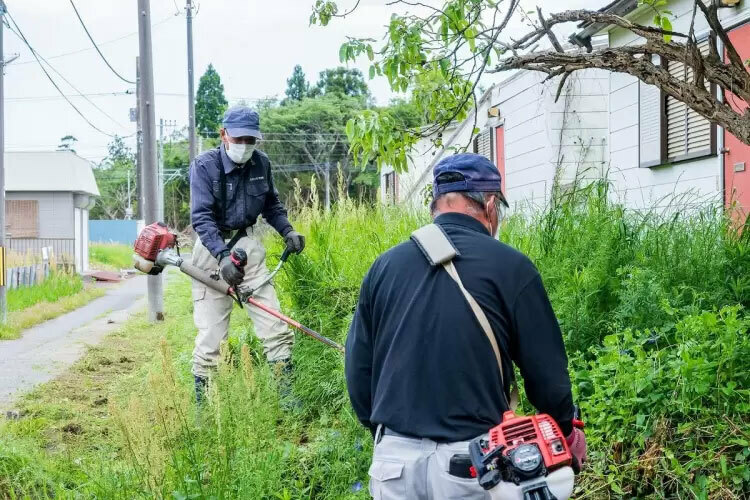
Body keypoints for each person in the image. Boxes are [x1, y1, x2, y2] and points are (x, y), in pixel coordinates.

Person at [345, 153, 586, 499]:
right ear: (490, 205)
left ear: (436, 205)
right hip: (472, 467)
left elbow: (358, 373)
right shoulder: (512, 267)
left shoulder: (384, 267)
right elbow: (547, 377)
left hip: (393, 465)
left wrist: (391, 440)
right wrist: (565, 433)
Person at [189, 105, 305, 402]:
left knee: (275, 326)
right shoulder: (204, 166)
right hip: (210, 251)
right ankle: (206, 411)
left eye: (249, 141)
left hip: (248, 246)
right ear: (223, 134)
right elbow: (201, 218)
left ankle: (287, 398)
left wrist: (287, 231)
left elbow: (272, 206)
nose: (243, 146)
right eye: (238, 139)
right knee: (211, 339)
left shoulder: (261, 164)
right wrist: (222, 257)